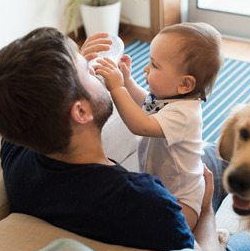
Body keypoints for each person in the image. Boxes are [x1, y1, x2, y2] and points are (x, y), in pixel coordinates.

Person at [0, 27, 250, 251]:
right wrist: (207, 210)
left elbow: (14, 97)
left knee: (213, 153)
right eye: (87, 70)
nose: (96, 66)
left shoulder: (16, 155)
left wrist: (69, 71)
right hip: (189, 199)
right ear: (81, 113)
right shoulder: (149, 203)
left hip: (176, 165)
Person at [93, 22, 223, 231]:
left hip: (184, 198)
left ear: (185, 84)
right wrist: (127, 81)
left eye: (154, 65)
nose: (146, 68)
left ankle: (207, 237)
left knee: (173, 229)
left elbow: (141, 125)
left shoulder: (185, 114)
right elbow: (145, 103)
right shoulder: (169, 99)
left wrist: (117, 88)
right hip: (162, 186)